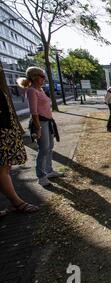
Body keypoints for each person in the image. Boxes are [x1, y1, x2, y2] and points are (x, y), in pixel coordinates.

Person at [0, 63, 39, 216]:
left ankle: (16, 201)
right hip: (3, 133)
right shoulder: (31, 91)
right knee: (3, 169)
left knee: (5, 169)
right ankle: (18, 203)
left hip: (6, 132)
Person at [17, 67, 64, 187]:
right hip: (41, 123)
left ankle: (49, 170)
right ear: (34, 77)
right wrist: (38, 128)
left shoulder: (41, 90)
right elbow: (34, 112)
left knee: (50, 147)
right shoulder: (32, 91)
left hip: (48, 122)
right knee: (43, 149)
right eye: (42, 76)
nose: (44, 78)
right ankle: (41, 176)